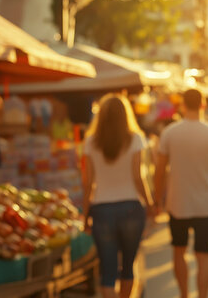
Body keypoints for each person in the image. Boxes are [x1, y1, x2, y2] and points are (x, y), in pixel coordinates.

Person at [153, 88, 208, 298]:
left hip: (177, 202)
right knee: (203, 256)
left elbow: (160, 170)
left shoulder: (170, 133)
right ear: (203, 105)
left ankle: (183, 295)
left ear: (182, 105)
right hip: (204, 204)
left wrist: (155, 200)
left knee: (179, 252)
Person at [82, 94, 154, 298]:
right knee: (128, 266)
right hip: (131, 207)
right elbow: (138, 176)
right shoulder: (135, 139)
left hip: (102, 209)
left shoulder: (91, 141)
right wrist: (149, 203)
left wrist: (86, 215)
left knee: (108, 270)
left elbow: (88, 183)